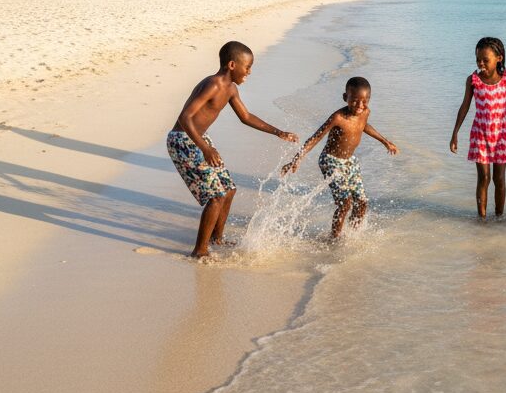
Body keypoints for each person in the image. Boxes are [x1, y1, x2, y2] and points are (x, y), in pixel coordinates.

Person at [168, 41, 298, 259]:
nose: (249, 72)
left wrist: (278, 132)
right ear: (231, 65)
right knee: (216, 196)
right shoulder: (213, 85)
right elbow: (185, 117)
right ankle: (199, 251)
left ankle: (216, 239)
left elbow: (246, 117)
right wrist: (205, 148)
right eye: (247, 67)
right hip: (182, 140)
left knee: (228, 190)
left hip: (200, 140)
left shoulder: (231, 89)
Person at [281, 76, 398, 239]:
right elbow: (316, 137)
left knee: (362, 202)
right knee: (345, 203)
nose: (360, 105)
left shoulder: (365, 111)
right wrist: (297, 158)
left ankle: (353, 233)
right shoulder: (338, 118)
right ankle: (334, 238)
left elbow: (364, 125)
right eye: (355, 100)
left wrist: (385, 141)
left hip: (350, 162)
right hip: (330, 161)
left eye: (365, 101)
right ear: (345, 98)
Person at [450, 36, 506, 220]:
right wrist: (455, 133)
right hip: (480, 134)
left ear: (499, 58)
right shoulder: (473, 80)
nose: (481, 63)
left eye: (485, 60)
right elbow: (465, 106)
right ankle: (481, 219)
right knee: (483, 178)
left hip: (502, 135)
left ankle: (499, 218)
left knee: (499, 179)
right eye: (478, 60)